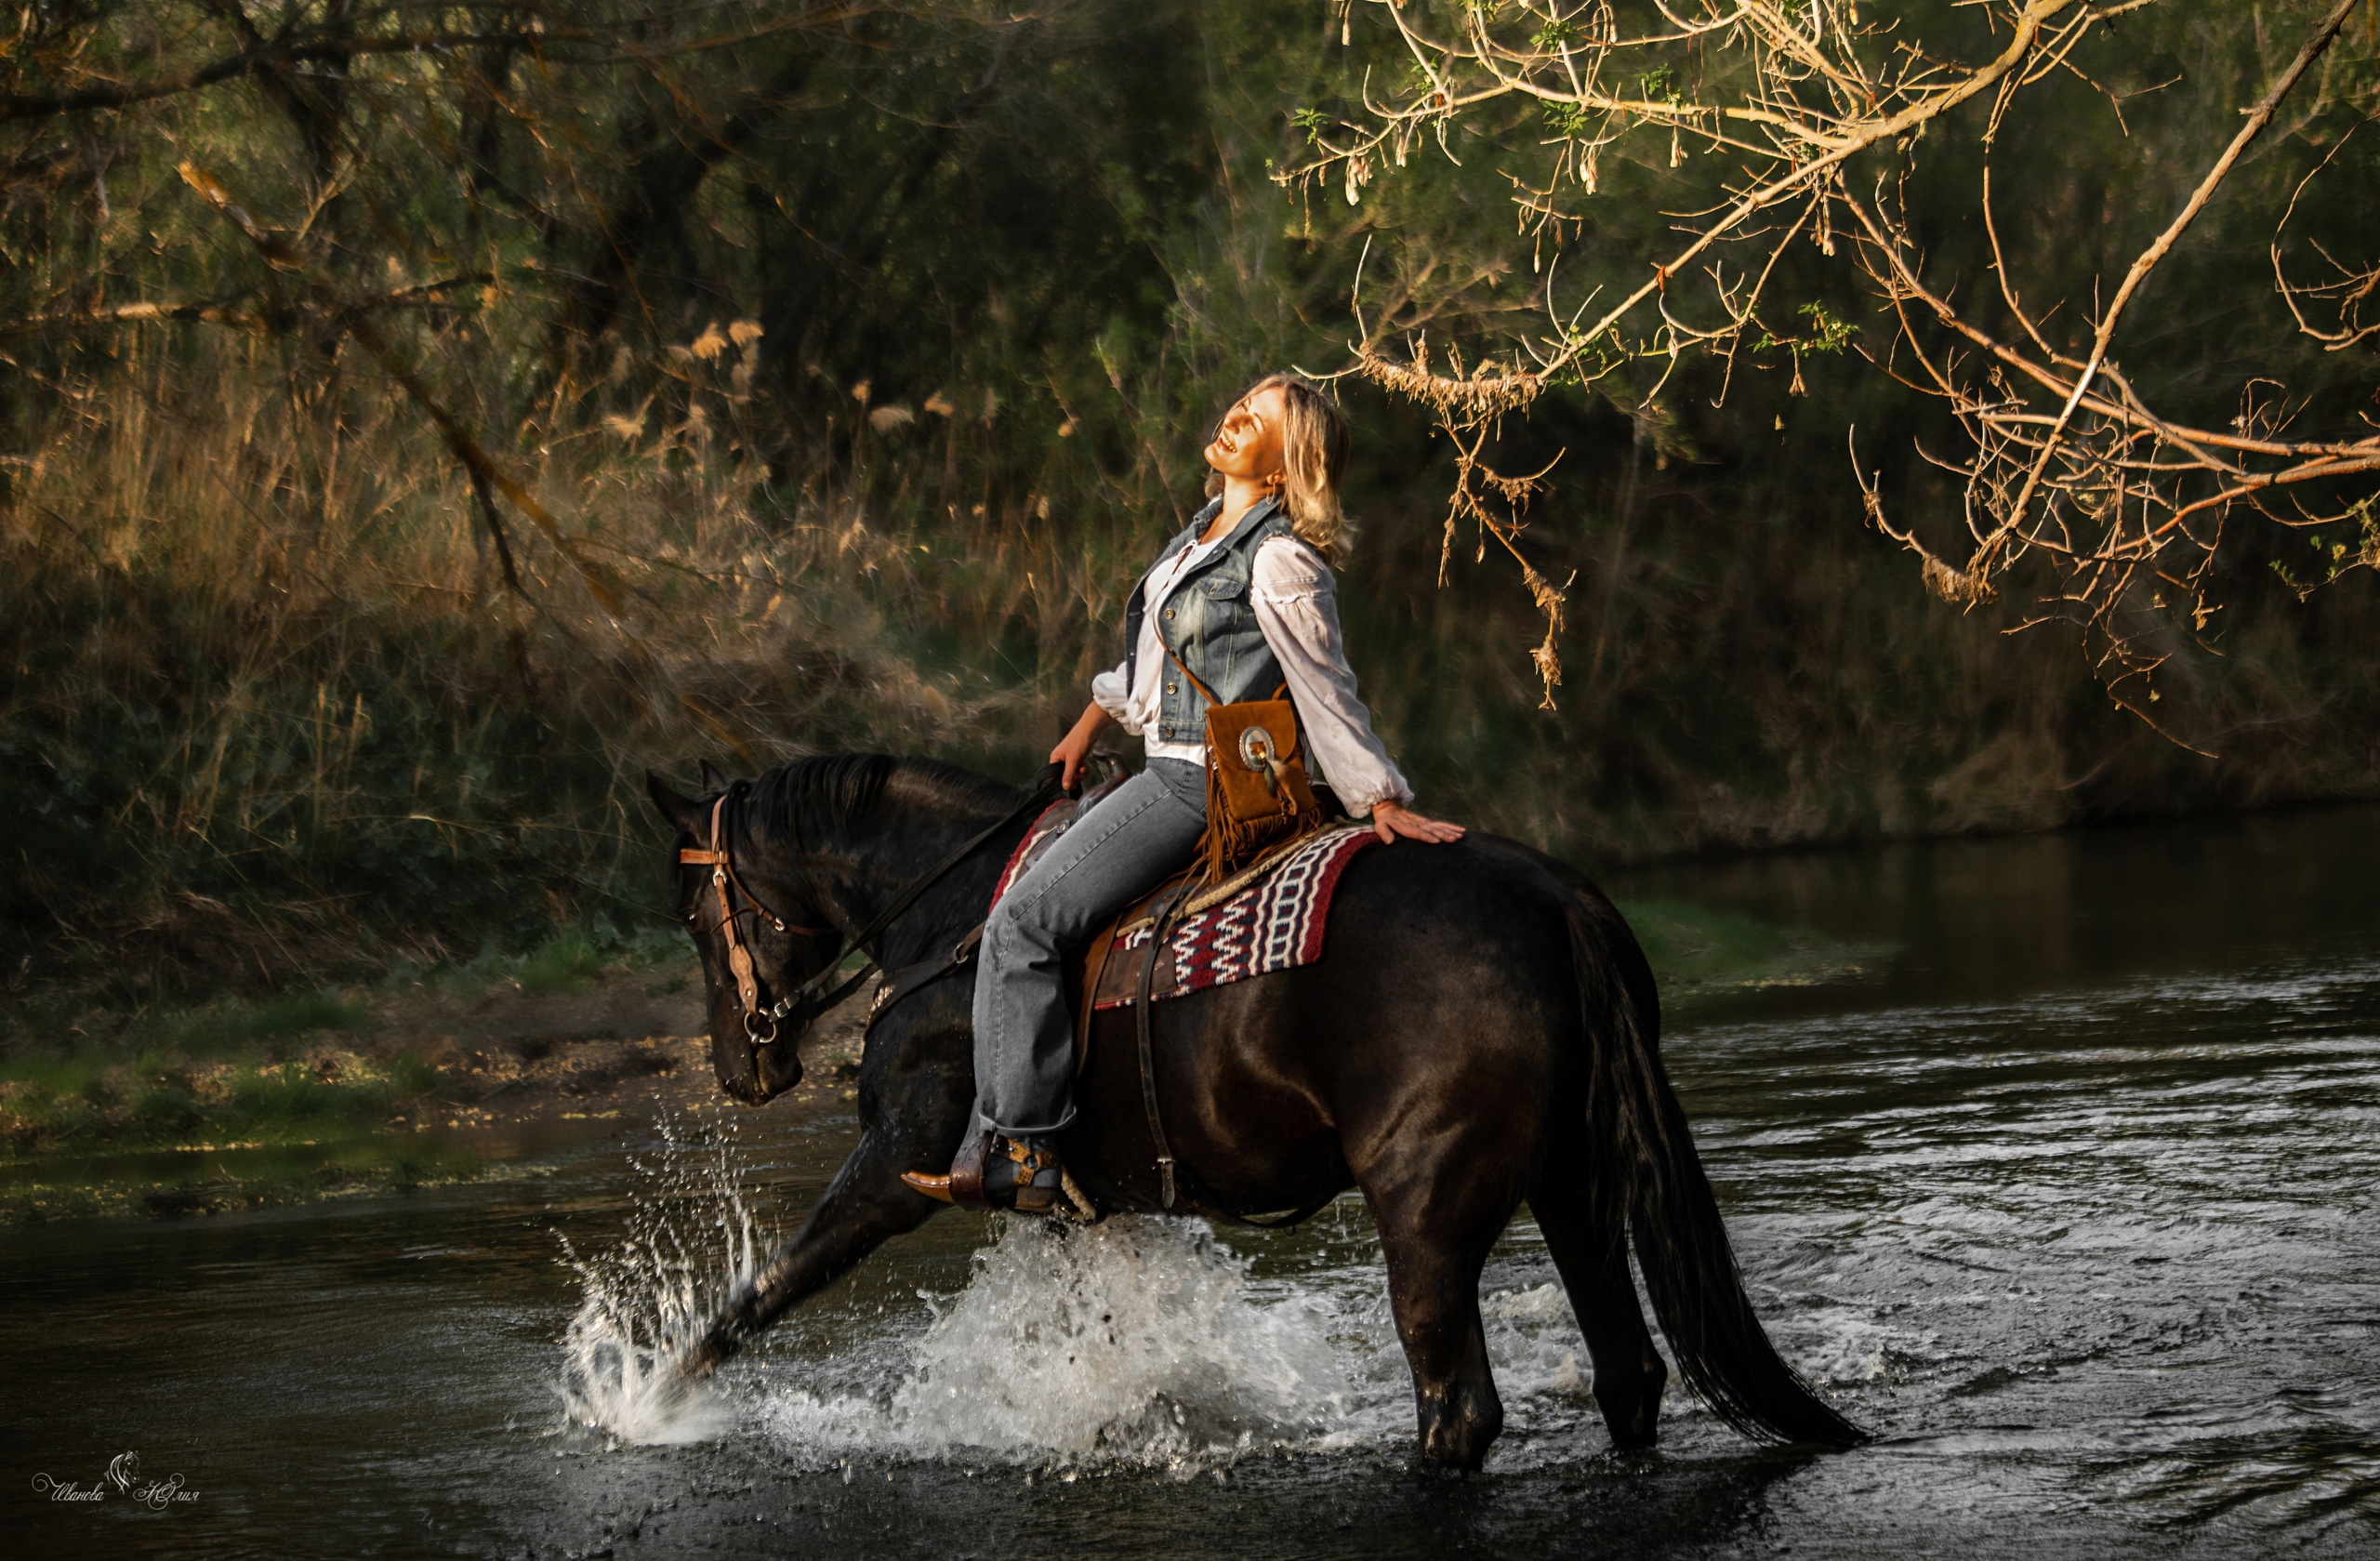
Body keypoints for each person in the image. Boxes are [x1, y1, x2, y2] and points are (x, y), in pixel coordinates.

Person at [903, 374, 1464, 1210]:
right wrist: (1090, 723)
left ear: (1284, 468)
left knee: (1023, 920)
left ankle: (1020, 1147)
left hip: (1195, 782)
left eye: (1261, 419)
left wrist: (1376, 796)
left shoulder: (1277, 557)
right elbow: (1156, 667)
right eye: (1243, 402)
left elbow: (1324, 688)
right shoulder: (1203, 533)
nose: (1237, 415)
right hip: (1157, 756)